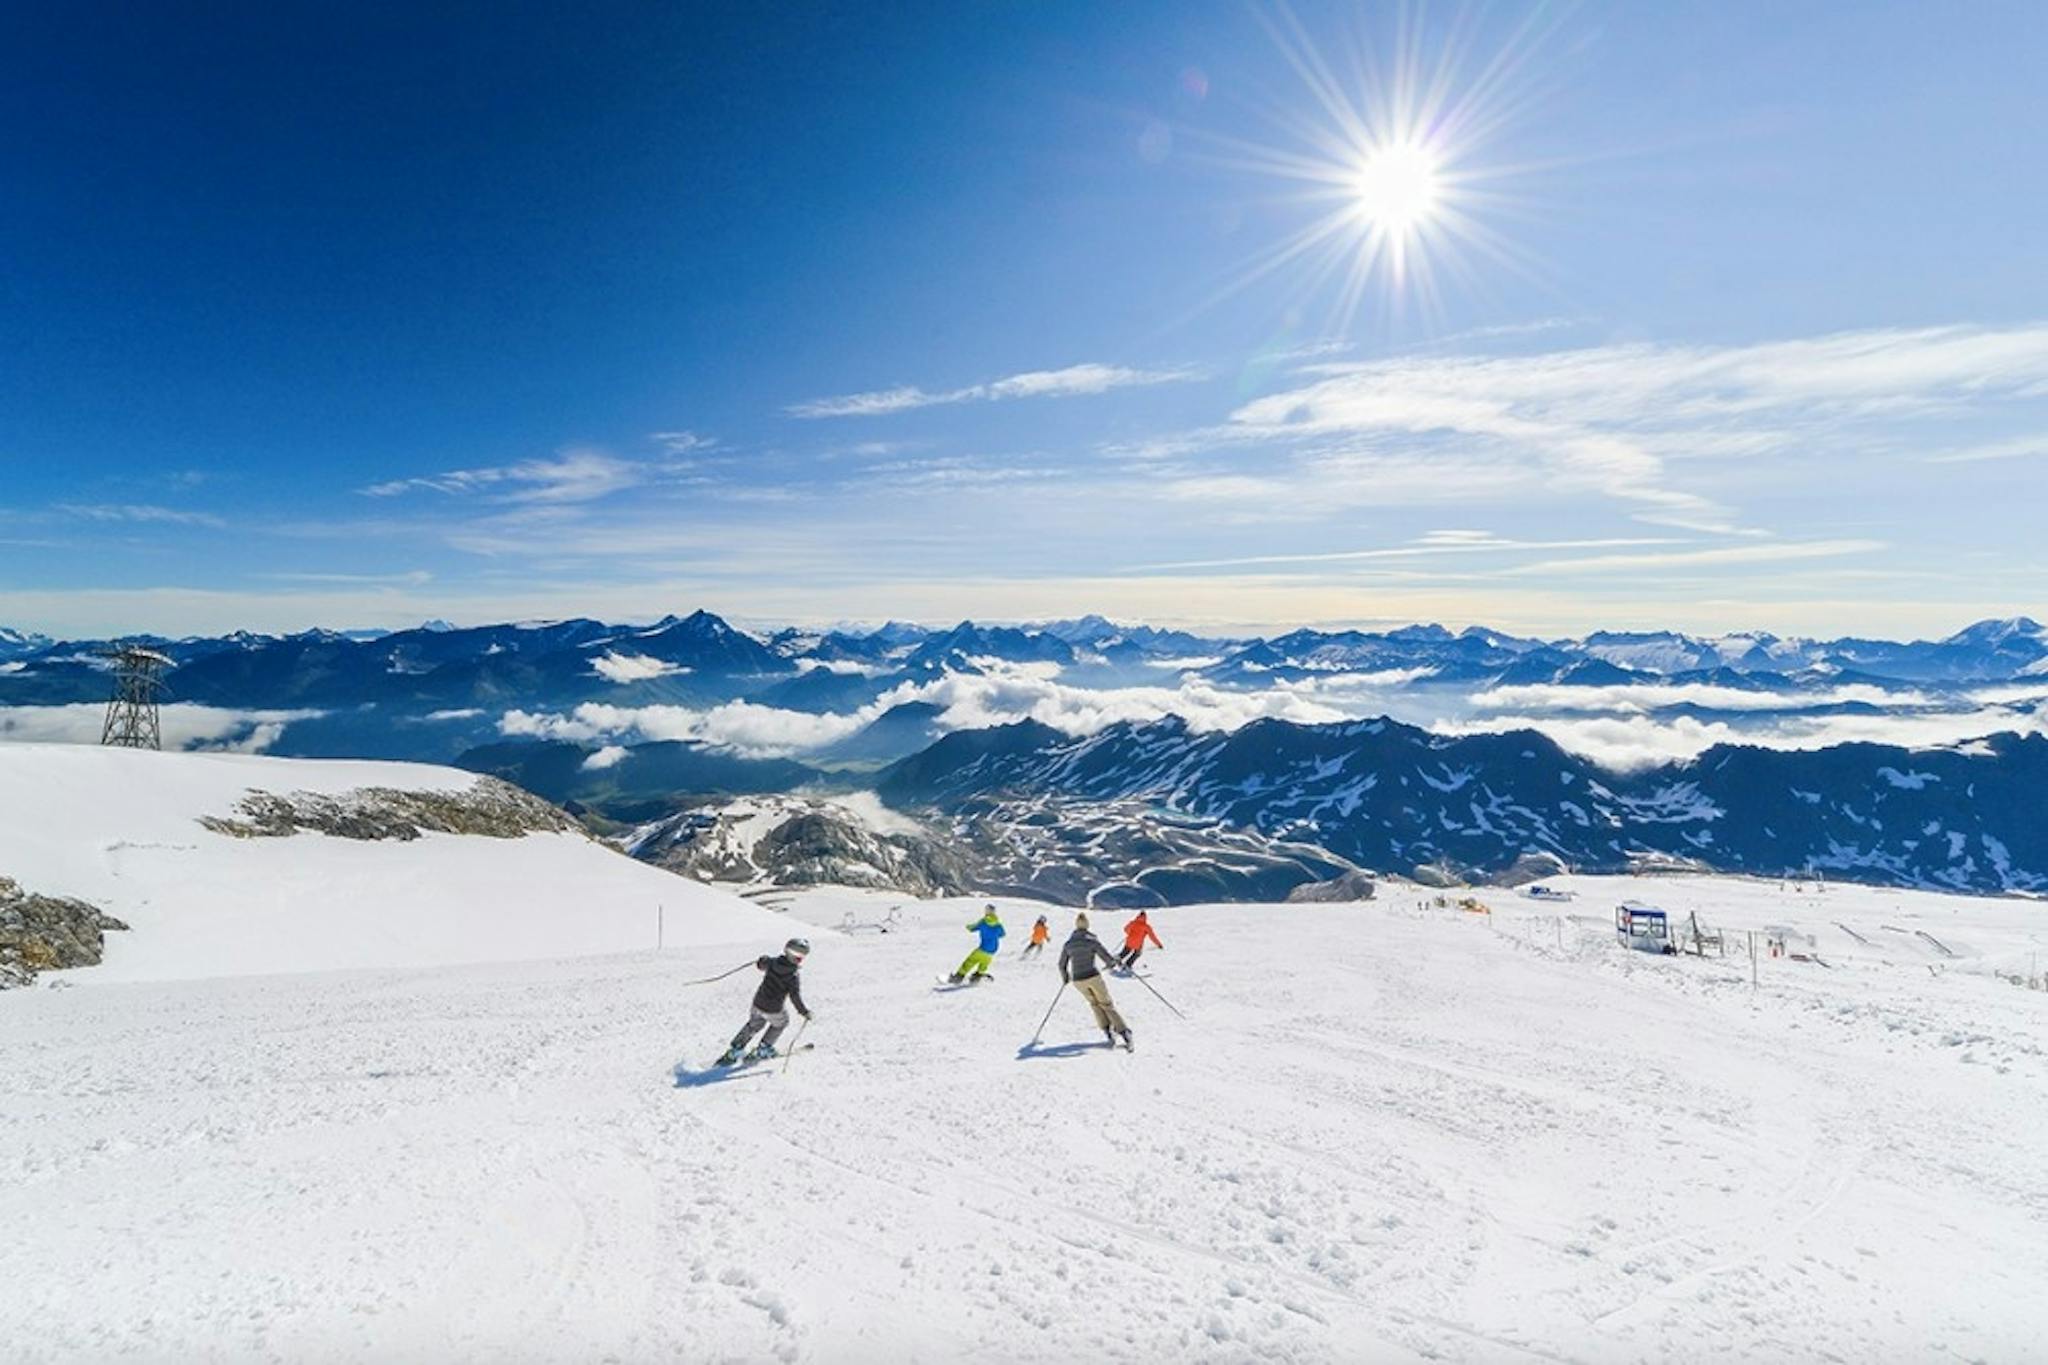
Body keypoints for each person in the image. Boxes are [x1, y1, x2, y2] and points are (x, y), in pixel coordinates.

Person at [716, 937, 813, 1065]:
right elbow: (795, 997)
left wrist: (762, 961)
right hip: (774, 1008)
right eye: (800, 957)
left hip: (758, 1003)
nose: (800, 959)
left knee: (754, 1024)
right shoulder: (793, 976)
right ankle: (763, 1048)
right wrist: (804, 1012)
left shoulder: (772, 962)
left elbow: (761, 965)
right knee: (781, 1023)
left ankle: (735, 1050)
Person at [1060, 912, 1131, 1049]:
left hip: (1078, 980)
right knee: (1106, 1004)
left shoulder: (1068, 944)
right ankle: (1124, 1031)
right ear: (1087, 925)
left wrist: (1065, 977)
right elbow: (1107, 959)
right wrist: (1114, 962)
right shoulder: (1092, 941)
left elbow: (1061, 964)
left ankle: (1107, 1030)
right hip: (1092, 976)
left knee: (1094, 1004)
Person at [949, 904, 1006, 983]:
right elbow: (1002, 934)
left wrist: (968, 926)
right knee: (984, 964)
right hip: (992, 950)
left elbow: (972, 928)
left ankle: (958, 977)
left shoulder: (983, 922)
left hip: (983, 948)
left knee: (970, 961)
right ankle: (976, 977)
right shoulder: (998, 925)